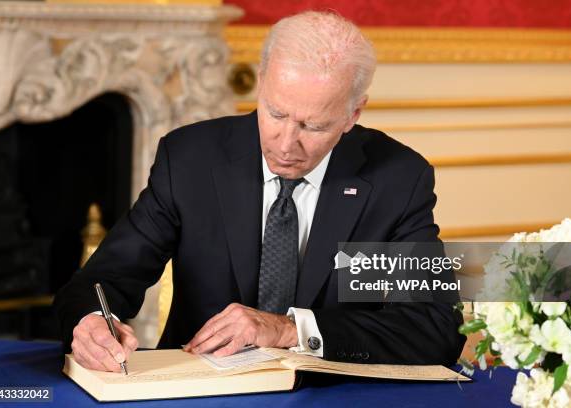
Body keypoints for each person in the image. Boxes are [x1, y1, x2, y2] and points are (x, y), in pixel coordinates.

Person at [54, 11, 465, 373]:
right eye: (276, 113)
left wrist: (290, 329)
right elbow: (109, 277)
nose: (286, 144)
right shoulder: (191, 159)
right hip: (196, 388)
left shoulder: (395, 179)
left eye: (314, 126)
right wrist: (91, 322)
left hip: (327, 393)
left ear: (352, 115)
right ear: (261, 84)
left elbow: (433, 326)